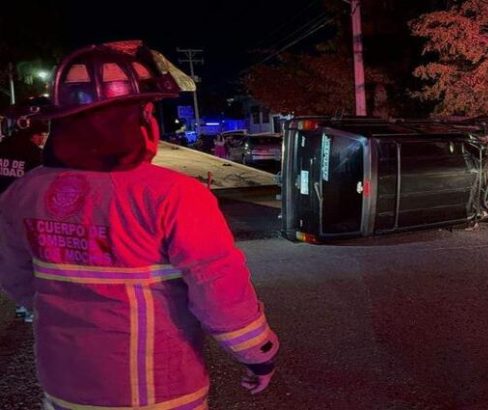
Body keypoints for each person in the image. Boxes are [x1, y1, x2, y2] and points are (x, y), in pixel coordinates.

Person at [0, 41, 279, 409]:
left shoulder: (23, 193)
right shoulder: (173, 196)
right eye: (146, 109)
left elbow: (17, 279)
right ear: (134, 117)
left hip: (64, 385)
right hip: (156, 389)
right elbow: (219, 291)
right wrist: (257, 354)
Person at [0, 104, 48, 323]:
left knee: (8, 254)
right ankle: (25, 304)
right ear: (34, 135)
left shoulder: (2, 147)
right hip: (21, 212)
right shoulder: (35, 155)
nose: (42, 140)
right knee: (25, 257)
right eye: (41, 135)